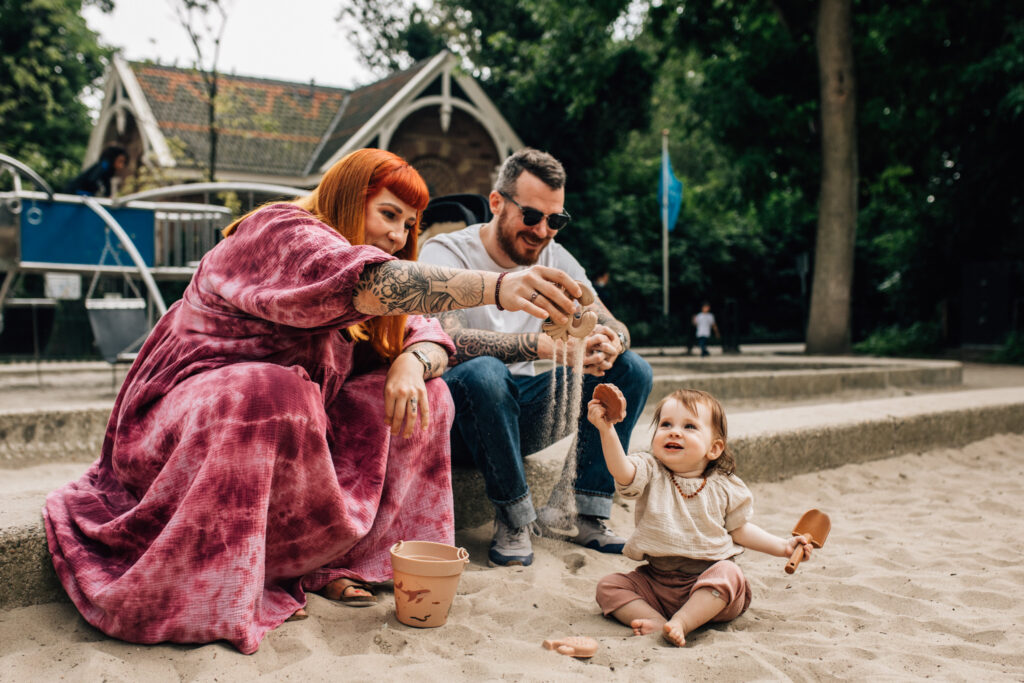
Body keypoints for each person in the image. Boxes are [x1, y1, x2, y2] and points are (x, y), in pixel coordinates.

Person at [43, 148, 586, 654]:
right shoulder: (279, 230)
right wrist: (494, 287)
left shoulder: (374, 264)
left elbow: (432, 334)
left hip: (289, 427)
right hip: (177, 422)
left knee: (430, 395)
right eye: (389, 215)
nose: (399, 235)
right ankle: (226, 583)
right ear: (350, 201)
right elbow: (367, 285)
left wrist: (410, 361)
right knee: (274, 389)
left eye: (408, 225)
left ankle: (341, 562)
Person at [418, 148, 653, 567]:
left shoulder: (554, 257)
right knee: (486, 374)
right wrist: (544, 348)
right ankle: (513, 516)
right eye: (531, 216)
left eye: (556, 220)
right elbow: (447, 341)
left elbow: (613, 322)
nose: (543, 231)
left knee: (632, 369)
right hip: (457, 415)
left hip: (520, 412)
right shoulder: (445, 252)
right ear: (496, 203)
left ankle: (583, 512)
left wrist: (611, 340)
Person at [588, 387, 813, 647]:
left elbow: (740, 530)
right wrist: (607, 430)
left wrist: (784, 546)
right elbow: (622, 470)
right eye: (666, 424)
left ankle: (683, 621)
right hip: (656, 582)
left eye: (690, 427)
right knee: (609, 586)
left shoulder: (725, 486)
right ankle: (658, 622)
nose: (674, 431)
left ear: (714, 448)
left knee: (730, 573)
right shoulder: (650, 471)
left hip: (710, 588)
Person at [62, 145, 128, 196]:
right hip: (75, 192)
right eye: (120, 161)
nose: (121, 166)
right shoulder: (104, 164)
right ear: (113, 158)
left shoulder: (109, 170)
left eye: (123, 162)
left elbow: (107, 183)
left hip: (82, 193)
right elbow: (93, 179)